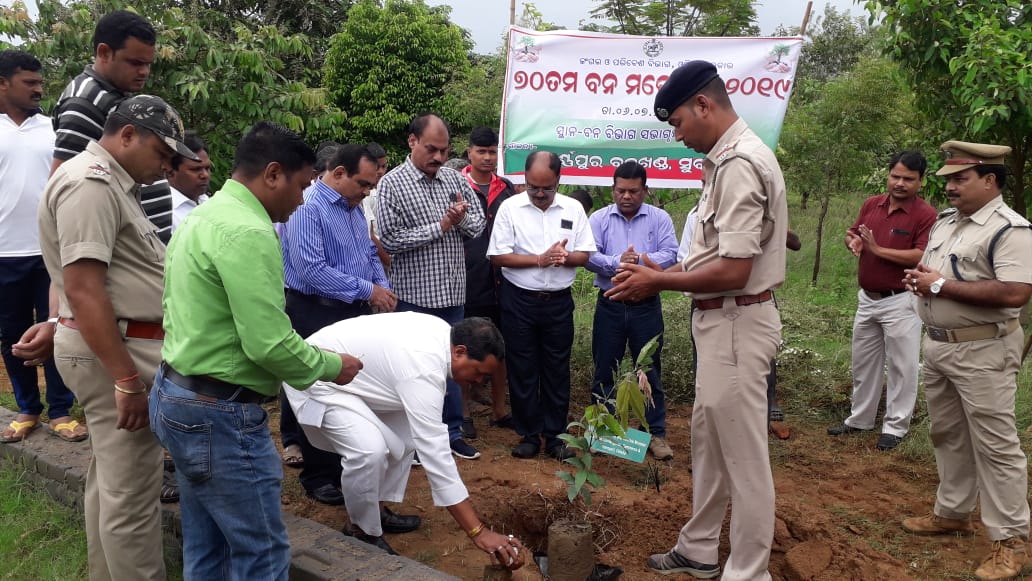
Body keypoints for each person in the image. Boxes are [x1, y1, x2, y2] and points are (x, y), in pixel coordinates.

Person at [150, 121, 362, 579]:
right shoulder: (249, 231)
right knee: (262, 552)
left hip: (177, 395)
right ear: (272, 174)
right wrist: (332, 366)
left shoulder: (205, 214)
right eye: (302, 186)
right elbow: (268, 343)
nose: (302, 200)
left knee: (207, 546)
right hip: (219, 413)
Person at [607, 61, 788, 579]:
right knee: (709, 447)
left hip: (737, 324)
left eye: (678, 123)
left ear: (703, 105)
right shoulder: (724, 162)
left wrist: (657, 283)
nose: (678, 135)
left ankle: (748, 572)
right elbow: (709, 257)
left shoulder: (739, 164)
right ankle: (700, 548)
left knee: (744, 459)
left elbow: (735, 270)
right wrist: (658, 272)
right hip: (720, 325)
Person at [38, 94, 197, 581]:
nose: (166, 167)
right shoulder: (91, 184)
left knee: (112, 483)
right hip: (119, 351)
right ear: (128, 135)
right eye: (162, 153)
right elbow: (84, 290)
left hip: (118, 346)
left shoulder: (113, 183)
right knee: (132, 496)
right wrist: (126, 380)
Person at [283, 313, 528, 568]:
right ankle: (361, 530)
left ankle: (375, 510)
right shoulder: (423, 367)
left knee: (407, 437)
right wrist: (478, 531)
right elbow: (436, 454)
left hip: (361, 380)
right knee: (369, 451)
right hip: (318, 376)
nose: (478, 381)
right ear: (459, 351)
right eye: (478, 372)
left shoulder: (444, 337)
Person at [900, 141, 1032, 581]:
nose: (951, 187)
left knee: (995, 446)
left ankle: (1011, 540)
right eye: (949, 180)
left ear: (990, 180)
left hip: (983, 350)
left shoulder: (1010, 229)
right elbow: (935, 273)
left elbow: (1015, 291)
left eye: (960, 179)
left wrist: (939, 286)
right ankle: (952, 512)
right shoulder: (946, 222)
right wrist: (922, 282)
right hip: (940, 345)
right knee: (948, 434)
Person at [281, 143, 391, 506]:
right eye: (363, 184)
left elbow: (369, 252)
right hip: (315, 310)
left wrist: (381, 287)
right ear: (339, 173)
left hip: (352, 310)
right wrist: (369, 290)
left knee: (351, 386)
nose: (367, 192)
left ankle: (347, 465)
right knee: (317, 390)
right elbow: (312, 270)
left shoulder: (353, 207)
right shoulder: (307, 208)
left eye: (371, 185)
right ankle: (318, 474)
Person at [376, 113, 485, 460]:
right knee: (413, 372)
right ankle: (414, 441)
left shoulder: (454, 179)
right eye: (431, 149)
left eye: (444, 150)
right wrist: (440, 226)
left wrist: (460, 218)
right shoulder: (392, 184)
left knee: (452, 367)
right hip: (414, 298)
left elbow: (478, 225)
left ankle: (451, 433)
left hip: (452, 296)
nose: (438, 157)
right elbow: (390, 240)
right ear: (412, 142)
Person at [487, 150, 595, 461]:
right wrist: (539, 259)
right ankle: (529, 435)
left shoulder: (573, 208)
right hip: (519, 300)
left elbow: (585, 254)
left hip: (558, 302)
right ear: (525, 179)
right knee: (522, 368)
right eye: (533, 186)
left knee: (556, 369)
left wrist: (565, 257)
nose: (539, 194)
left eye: (547, 188)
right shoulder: (510, 208)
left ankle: (556, 436)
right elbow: (497, 257)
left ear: (559, 180)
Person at [0, 50, 84, 444]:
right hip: (4, 253)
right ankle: (28, 408)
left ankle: (61, 411)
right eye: (29, 82)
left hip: (50, 251)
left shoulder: (53, 129)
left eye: (39, 82)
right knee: (12, 334)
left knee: (57, 329)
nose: (38, 89)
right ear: (3, 83)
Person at [827, 151, 937, 451]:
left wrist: (877, 249)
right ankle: (860, 419)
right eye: (895, 176)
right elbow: (852, 233)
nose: (900, 183)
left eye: (908, 179)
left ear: (920, 181)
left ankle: (895, 426)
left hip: (901, 300)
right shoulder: (872, 204)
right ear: (888, 175)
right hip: (867, 298)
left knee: (902, 366)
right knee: (863, 362)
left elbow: (920, 254)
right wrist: (854, 241)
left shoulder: (926, 215)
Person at [49, 11, 174, 241]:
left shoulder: (114, 94)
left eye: (148, 64)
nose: (144, 72)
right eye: (135, 63)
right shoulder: (86, 102)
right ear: (104, 53)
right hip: (119, 247)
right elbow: (65, 184)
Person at [585, 160, 678, 460]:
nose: (626, 196)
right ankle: (602, 431)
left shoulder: (659, 218)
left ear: (645, 191)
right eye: (621, 190)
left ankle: (655, 434)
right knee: (605, 369)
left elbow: (671, 253)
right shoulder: (599, 219)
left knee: (649, 370)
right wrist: (617, 262)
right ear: (612, 190)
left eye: (634, 191)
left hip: (645, 306)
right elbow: (588, 255)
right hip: (610, 303)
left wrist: (639, 261)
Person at [460, 127, 518, 433]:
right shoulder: (455, 185)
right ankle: (463, 414)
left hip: (503, 282)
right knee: (465, 346)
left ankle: (499, 410)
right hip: (467, 280)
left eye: (492, 152)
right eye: (481, 151)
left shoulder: (506, 188)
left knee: (500, 348)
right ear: (469, 152)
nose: (487, 157)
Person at [168, 131, 211, 232]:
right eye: (196, 169)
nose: (205, 175)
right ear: (171, 171)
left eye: (207, 168)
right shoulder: (166, 213)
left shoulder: (206, 201)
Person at [363, 141, 391, 269]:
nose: (380, 171)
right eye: (376, 167)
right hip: (378, 257)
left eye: (383, 167)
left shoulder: (384, 187)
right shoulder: (364, 194)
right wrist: (390, 263)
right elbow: (371, 235)